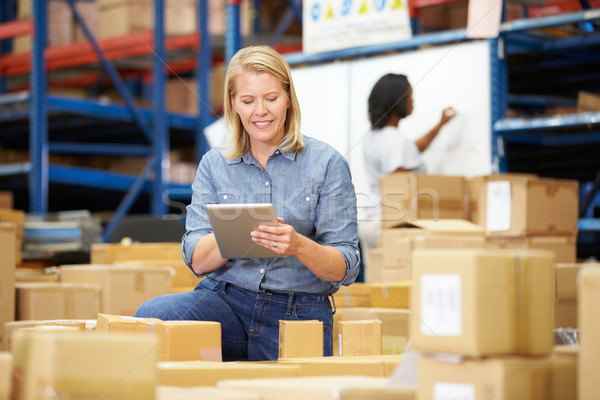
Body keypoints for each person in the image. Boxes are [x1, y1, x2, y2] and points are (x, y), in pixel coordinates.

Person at [135, 45, 360, 361]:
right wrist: (234, 235)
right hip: (226, 301)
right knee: (153, 316)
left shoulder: (327, 163)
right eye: (248, 101)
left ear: (288, 100)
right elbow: (197, 261)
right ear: (233, 104)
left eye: (271, 98)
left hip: (298, 311)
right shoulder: (214, 165)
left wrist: (298, 245)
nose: (261, 111)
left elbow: (345, 266)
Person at [359, 73, 456, 264]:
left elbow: (411, 151)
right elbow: (398, 186)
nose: (413, 101)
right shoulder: (394, 139)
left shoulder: (374, 136)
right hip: (391, 223)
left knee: (381, 288)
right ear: (398, 100)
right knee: (400, 283)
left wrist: (440, 125)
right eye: (410, 96)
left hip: (372, 220)